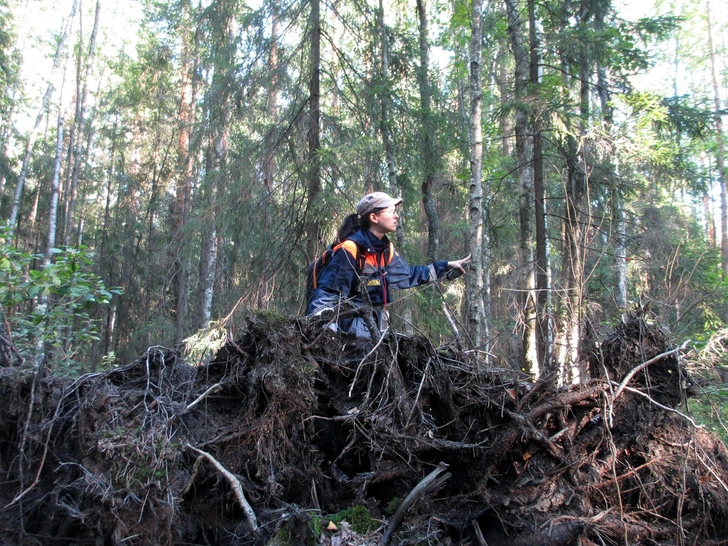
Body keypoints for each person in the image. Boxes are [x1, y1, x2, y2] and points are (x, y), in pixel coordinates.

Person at [306, 191, 471, 338]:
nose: (396, 216)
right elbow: (328, 293)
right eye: (391, 212)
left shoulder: (385, 249)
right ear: (374, 217)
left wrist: (446, 265)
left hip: (376, 323)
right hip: (350, 328)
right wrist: (324, 330)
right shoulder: (351, 248)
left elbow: (407, 276)